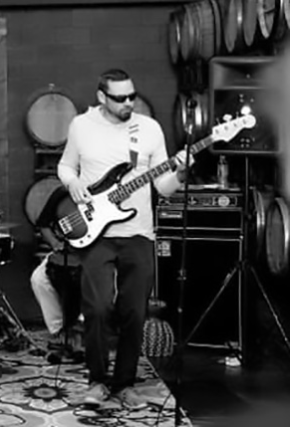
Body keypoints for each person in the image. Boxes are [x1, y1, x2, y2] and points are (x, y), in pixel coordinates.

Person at [57, 69, 192, 409]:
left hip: (139, 232)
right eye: (120, 98)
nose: (128, 103)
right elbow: (65, 166)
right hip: (97, 234)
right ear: (102, 97)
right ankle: (97, 380)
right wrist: (73, 183)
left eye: (132, 96)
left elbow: (162, 187)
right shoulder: (81, 126)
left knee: (134, 310)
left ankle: (125, 384)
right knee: (98, 307)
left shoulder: (149, 129)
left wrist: (180, 174)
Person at [30, 183, 83, 362]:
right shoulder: (61, 194)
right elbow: (43, 225)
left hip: (95, 252)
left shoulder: (105, 192)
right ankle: (58, 331)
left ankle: (79, 329)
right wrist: (55, 243)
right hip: (67, 250)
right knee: (38, 279)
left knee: (98, 279)